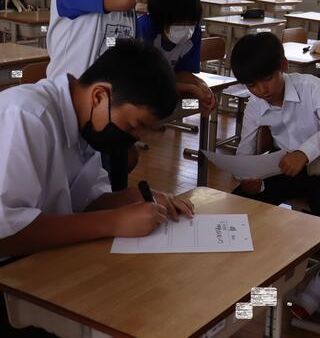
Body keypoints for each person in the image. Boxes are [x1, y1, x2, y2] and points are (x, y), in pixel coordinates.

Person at [0, 41, 190, 334]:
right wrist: (114, 221)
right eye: (133, 125)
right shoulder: (28, 115)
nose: (134, 138)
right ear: (100, 95)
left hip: (40, 262)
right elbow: (6, 236)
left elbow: (87, 202)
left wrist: (135, 198)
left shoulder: (86, 121)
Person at [229, 33, 320, 320]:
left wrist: (304, 152)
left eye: (267, 80)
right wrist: (248, 178)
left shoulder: (312, 87)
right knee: (237, 204)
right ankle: (239, 278)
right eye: (251, 86)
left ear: (283, 66)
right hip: (284, 167)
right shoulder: (255, 104)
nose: (261, 90)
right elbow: (245, 152)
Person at [46, 0, 170, 191]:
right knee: (72, 197)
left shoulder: (126, 2)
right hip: (73, 112)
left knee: (108, 193)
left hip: (113, 114)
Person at [136, 0, 216, 116]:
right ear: (161, 19)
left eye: (191, 22)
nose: (186, 28)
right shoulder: (144, 28)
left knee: (194, 102)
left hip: (164, 93)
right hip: (138, 94)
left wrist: (202, 85)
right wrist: (191, 88)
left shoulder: (194, 33)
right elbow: (146, 80)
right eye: (179, 22)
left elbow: (182, 72)